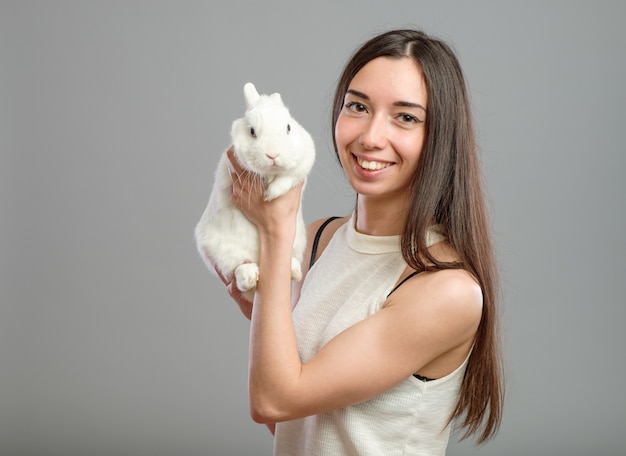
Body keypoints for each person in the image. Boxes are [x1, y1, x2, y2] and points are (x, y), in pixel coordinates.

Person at [217, 28, 503, 455]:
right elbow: (298, 426)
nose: (370, 136)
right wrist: (261, 306)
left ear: (439, 137)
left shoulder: (448, 290)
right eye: (358, 106)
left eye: (405, 117)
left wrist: (276, 232)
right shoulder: (315, 240)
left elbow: (271, 400)